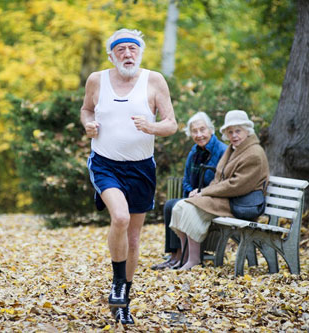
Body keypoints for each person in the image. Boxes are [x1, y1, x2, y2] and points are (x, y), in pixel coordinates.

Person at [80, 28, 177, 325]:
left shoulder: (154, 80)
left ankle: (124, 300)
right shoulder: (97, 80)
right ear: (111, 55)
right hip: (105, 163)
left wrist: (152, 128)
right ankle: (117, 284)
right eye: (120, 49)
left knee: (134, 240)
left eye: (132, 49)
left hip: (141, 168)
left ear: (140, 53)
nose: (127, 54)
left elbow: (171, 124)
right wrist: (88, 124)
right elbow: (85, 110)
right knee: (120, 218)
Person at [169, 110, 269, 270]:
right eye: (230, 132)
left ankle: (194, 260)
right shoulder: (234, 148)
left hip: (241, 203)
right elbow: (218, 177)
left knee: (188, 208)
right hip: (227, 199)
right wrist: (201, 193)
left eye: (238, 131)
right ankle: (186, 257)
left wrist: (204, 193)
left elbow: (236, 185)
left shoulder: (254, 153)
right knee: (179, 207)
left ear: (247, 131)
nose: (234, 135)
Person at [151, 112, 226, 270]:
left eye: (202, 130)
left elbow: (222, 181)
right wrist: (191, 190)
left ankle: (182, 256)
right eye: (194, 131)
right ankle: (175, 255)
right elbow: (185, 179)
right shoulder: (194, 152)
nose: (199, 135)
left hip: (212, 199)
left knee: (176, 206)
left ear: (211, 130)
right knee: (170, 205)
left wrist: (202, 191)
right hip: (195, 196)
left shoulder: (221, 151)